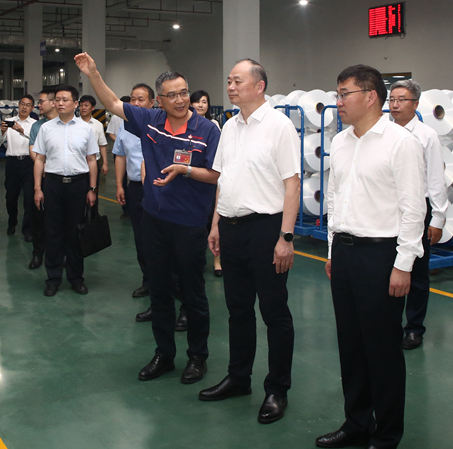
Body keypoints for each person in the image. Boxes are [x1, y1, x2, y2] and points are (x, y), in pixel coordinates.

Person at [75, 51, 220, 386]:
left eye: (184, 93)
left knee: (193, 293)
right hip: (155, 220)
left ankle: (197, 356)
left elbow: (217, 175)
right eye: (173, 95)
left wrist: (185, 170)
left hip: (189, 224)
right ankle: (164, 354)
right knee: (160, 290)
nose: (181, 100)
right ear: (160, 101)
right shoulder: (150, 120)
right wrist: (93, 73)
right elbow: (112, 103)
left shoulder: (207, 130)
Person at [317, 65, 425, 449]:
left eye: (344, 94)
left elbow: (413, 209)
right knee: (351, 346)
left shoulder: (401, 143)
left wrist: (403, 264)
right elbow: (334, 198)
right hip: (345, 254)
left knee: (382, 350)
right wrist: (332, 251)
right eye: (337, 94)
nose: (338, 101)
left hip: (381, 255)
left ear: (370, 96)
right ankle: (357, 423)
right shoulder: (341, 142)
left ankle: (387, 434)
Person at [201, 60, 300, 425]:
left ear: (259, 86)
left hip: (266, 229)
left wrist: (285, 238)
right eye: (228, 81)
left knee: (274, 312)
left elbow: (292, 184)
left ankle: (277, 389)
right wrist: (216, 224)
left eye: (237, 81)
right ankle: (239, 377)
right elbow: (224, 179)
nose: (230, 86)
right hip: (231, 227)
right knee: (238, 309)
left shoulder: (279, 126)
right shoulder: (229, 126)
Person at [388, 80, 449, 351]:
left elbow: (435, 179)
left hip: (418, 208)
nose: (395, 105)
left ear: (415, 104)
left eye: (401, 100)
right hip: (389, 209)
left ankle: (414, 328)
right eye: (392, 100)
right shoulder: (384, 132)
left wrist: (438, 218)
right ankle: (389, 324)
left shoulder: (426, 136)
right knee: (388, 267)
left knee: (416, 271)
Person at [32, 85, 99, 297]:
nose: (60, 103)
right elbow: (39, 159)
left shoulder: (86, 129)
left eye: (65, 99)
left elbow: (92, 160)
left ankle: (76, 278)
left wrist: (92, 188)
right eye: (57, 100)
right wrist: (37, 188)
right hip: (53, 184)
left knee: (75, 233)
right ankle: (53, 279)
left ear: (75, 103)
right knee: (53, 232)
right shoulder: (46, 128)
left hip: (79, 185)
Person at [113, 85, 155, 306]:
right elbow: (120, 155)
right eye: (133, 99)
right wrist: (120, 185)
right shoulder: (125, 125)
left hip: (159, 188)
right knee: (140, 237)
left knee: (162, 238)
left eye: (141, 99)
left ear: (152, 103)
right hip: (136, 188)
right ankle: (148, 281)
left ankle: (172, 284)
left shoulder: (159, 124)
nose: (136, 103)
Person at [0, 95, 38, 239]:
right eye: (22, 104)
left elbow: (38, 142)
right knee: (11, 196)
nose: (24, 107)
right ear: (18, 105)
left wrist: (22, 131)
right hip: (12, 163)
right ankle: (12, 222)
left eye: (28, 105)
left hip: (29, 162)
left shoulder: (35, 124)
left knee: (29, 197)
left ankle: (28, 229)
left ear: (32, 108)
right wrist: (2, 132)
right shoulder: (10, 121)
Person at [191, 90, 223, 278]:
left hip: (211, 180)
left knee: (212, 221)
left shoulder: (214, 126)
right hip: (192, 181)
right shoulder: (187, 125)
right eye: (197, 101)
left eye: (204, 102)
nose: (201, 105)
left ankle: (217, 261)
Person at [26, 88, 58, 270]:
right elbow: (33, 149)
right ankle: (38, 253)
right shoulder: (38, 126)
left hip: (59, 177)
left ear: (53, 103)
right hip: (42, 175)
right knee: (39, 216)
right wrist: (44, 166)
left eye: (41, 101)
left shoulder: (66, 124)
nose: (38, 105)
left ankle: (61, 254)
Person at [107, 95, 131, 218]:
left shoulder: (136, 117)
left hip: (132, 153)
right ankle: (126, 209)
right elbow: (110, 133)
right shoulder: (116, 117)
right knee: (122, 180)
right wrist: (120, 143)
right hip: (120, 152)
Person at [79, 94, 109, 177]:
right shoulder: (73, 123)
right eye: (81, 105)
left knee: (94, 184)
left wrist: (105, 163)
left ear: (92, 108)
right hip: (78, 162)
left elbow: (102, 145)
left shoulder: (98, 125)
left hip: (94, 162)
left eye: (86, 105)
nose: (83, 108)